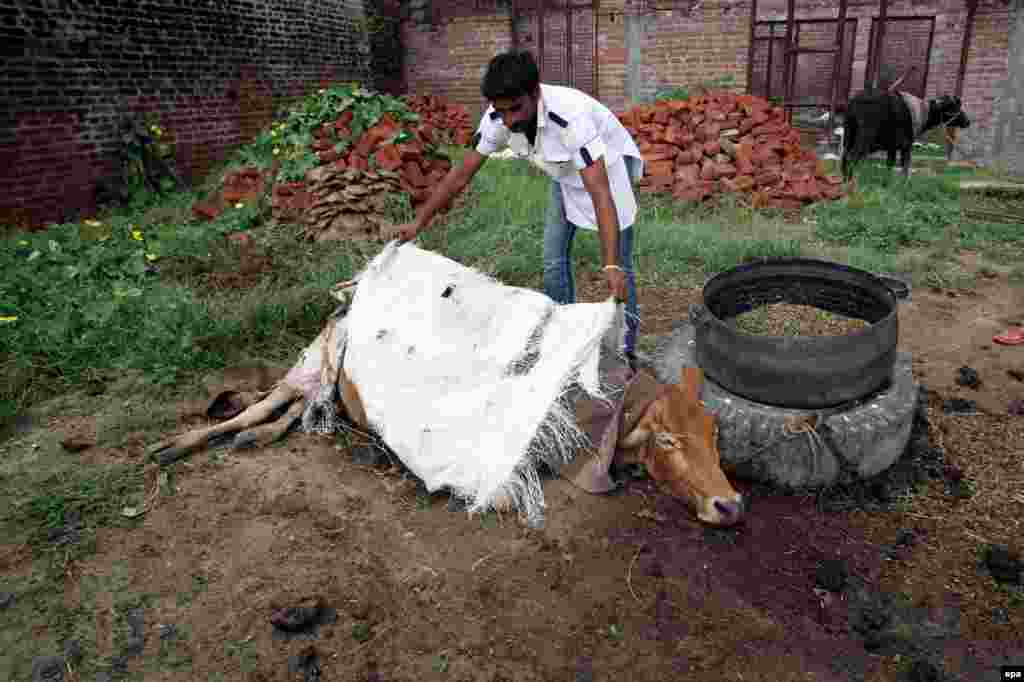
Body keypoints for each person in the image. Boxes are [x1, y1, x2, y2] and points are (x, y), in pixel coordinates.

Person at [393, 50, 645, 365]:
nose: (509, 119)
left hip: (607, 174)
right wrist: (418, 222)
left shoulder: (571, 116)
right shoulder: (497, 118)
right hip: (564, 175)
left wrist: (608, 265)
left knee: (621, 269)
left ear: (535, 93)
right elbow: (460, 175)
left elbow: (599, 191)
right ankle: (561, 342)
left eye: (516, 109)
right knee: (553, 260)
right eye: (502, 111)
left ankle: (628, 351)